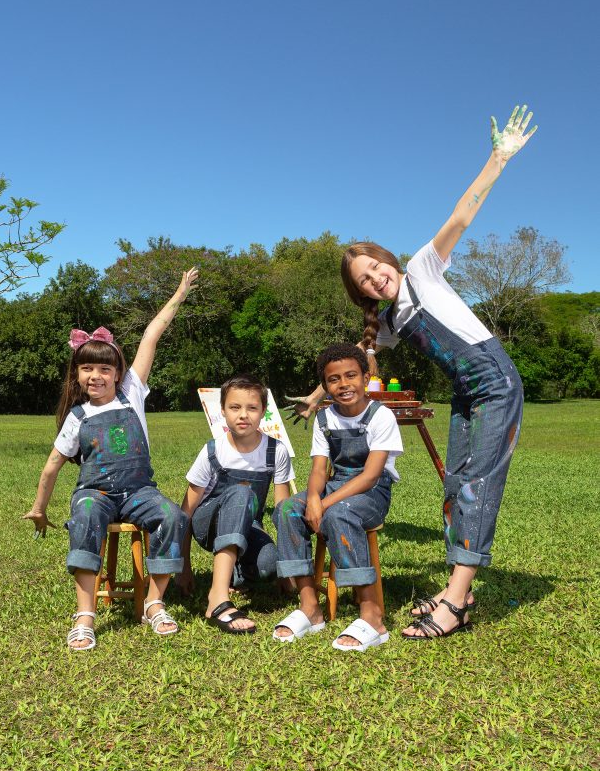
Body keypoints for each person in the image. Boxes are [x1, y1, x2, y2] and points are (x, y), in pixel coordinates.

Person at [288, 105, 537, 640]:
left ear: (390, 260)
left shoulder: (424, 268)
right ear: (361, 293)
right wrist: (316, 397)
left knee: (475, 484)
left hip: (495, 380)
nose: (376, 278)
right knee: (454, 485)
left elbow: (460, 218)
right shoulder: (392, 319)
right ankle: (459, 591)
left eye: (377, 266)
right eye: (364, 280)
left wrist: (498, 158)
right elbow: (352, 361)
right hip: (467, 394)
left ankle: (453, 604)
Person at [23, 268, 199, 651]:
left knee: (173, 517)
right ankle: (84, 615)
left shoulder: (132, 393)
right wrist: (39, 508)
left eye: (105, 368)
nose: (96, 375)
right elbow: (52, 465)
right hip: (96, 492)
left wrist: (179, 293)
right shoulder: (78, 417)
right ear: (77, 374)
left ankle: (154, 602)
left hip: (139, 492)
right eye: (87, 368)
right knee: (84, 515)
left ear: (119, 374)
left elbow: (152, 334)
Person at [274, 344, 403, 651]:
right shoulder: (323, 418)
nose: (343, 385)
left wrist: (324, 504)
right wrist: (314, 498)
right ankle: (310, 606)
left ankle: (372, 616)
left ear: (365, 377)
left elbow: (371, 475)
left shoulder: (381, 416)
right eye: (334, 379)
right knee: (288, 509)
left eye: (351, 376)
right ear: (325, 385)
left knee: (340, 513)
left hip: (371, 493)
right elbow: (319, 468)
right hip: (335, 486)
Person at [179, 375, 295, 634]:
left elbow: (282, 511)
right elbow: (185, 513)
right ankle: (217, 597)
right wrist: (183, 567)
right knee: (241, 493)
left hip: (248, 524)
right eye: (235, 407)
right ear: (222, 411)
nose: (244, 415)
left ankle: (234, 575)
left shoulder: (276, 451)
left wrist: (287, 571)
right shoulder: (213, 451)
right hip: (208, 524)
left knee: (268, 567)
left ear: (263, 412)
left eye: (252, 408)